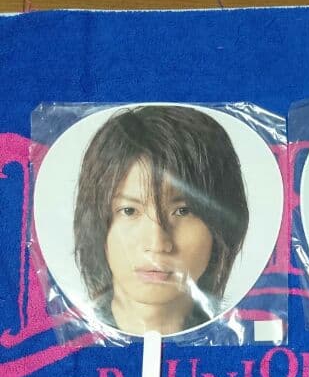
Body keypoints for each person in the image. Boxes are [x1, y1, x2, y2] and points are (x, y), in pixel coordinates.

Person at [74, 105, 249, 335]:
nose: (157, 244)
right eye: (129, 211)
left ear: (222, 223)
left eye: (183, 211)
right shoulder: (61, 341)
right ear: (94, 224)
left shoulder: (244, 334)